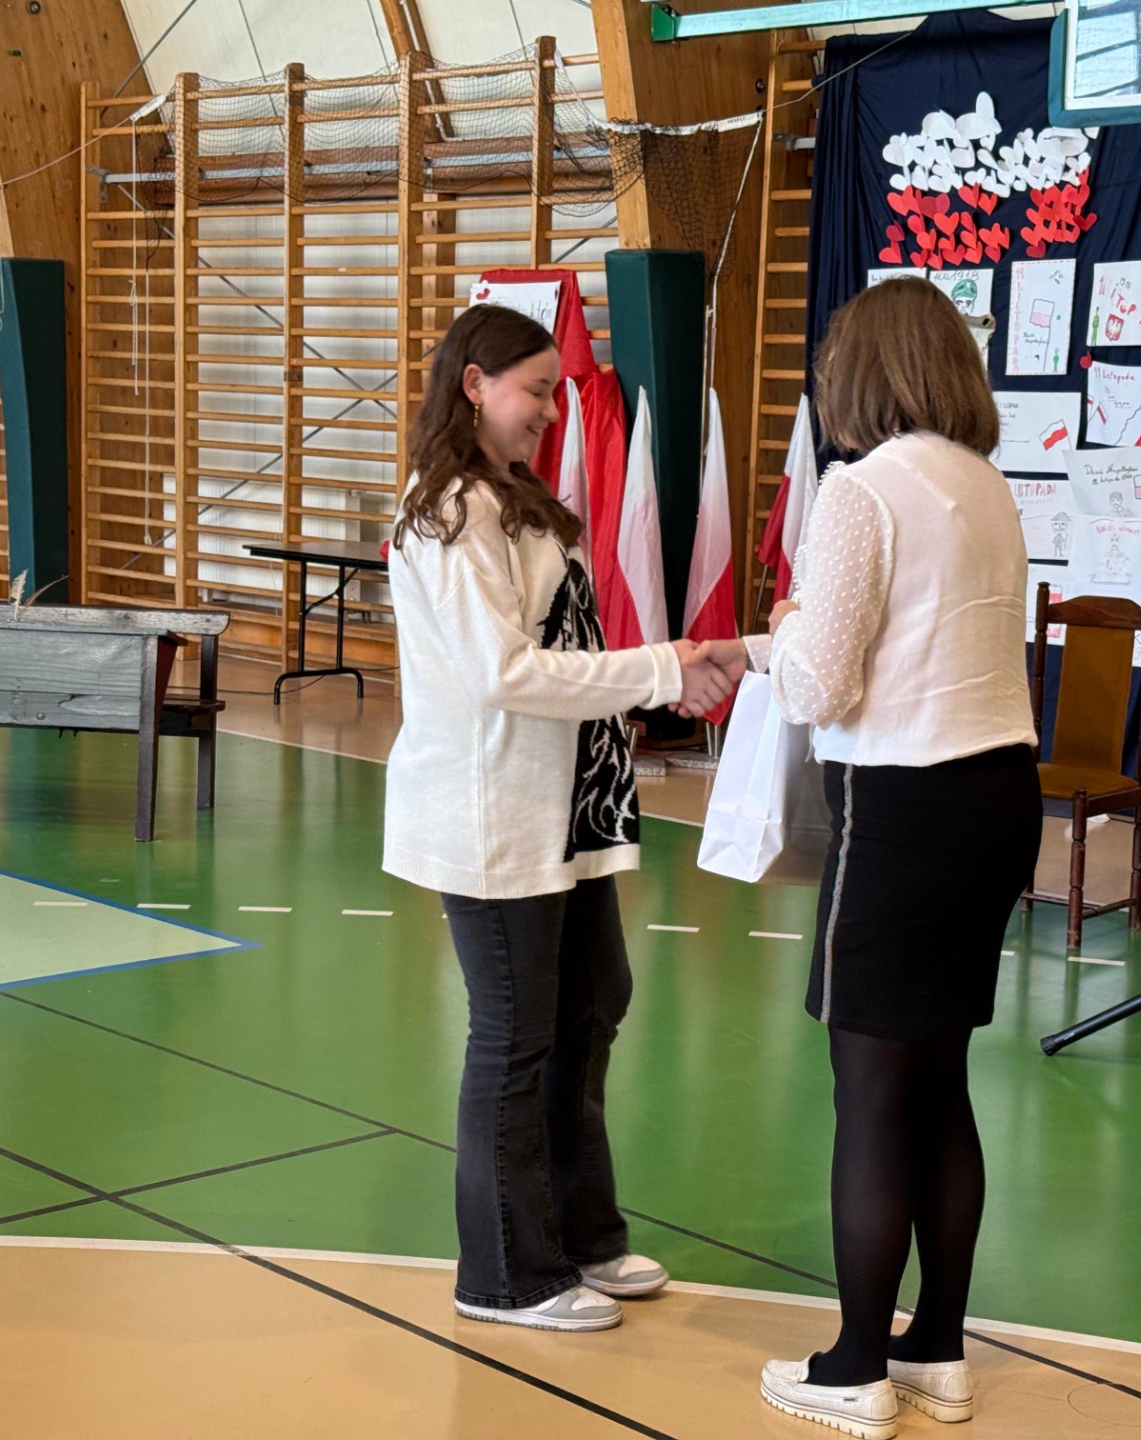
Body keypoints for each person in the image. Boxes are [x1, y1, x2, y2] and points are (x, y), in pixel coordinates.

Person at [705, 277, 1042, 1438]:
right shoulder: (985, 484)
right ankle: (936, 1345)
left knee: (871, 1092)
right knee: (939, 1079)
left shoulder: (861, 489)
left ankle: (854, 1362)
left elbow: (817, 684)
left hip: (901, 805)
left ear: (861, 371)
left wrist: (786, 625)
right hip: (998, 795)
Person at [383, 303, 738, 1334]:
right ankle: (503, 1274)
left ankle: (584, 1234)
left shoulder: (515, 498)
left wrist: (672, 670)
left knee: (591, 1006)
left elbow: (572, 640)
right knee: (514, 1037)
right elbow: (504, 673)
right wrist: (665, 668)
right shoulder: (449, 509)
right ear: (474, 385)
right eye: (535, 390)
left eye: (554, 390)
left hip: (567, 812)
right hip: (494, 814)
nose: (550, 408)